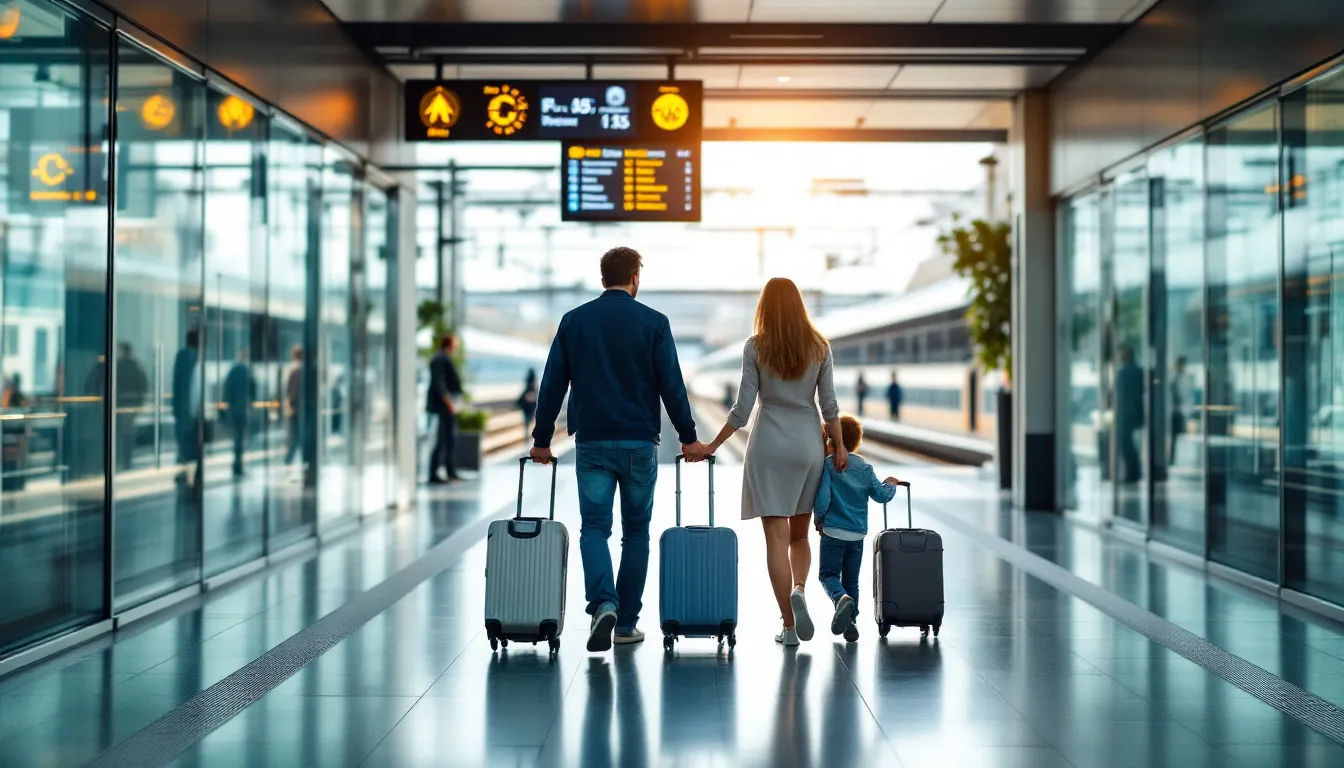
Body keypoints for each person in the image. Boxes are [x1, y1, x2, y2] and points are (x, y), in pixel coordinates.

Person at [530, 246, 707, 653]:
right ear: (635, 278)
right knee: (636, 532)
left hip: (591, 441)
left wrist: (542, 440)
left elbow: (552, 382)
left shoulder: (574, 321)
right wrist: (688, 436)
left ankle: (603, 604)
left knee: (594, 528)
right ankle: (626, 623)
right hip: (638, 443)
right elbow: (672, 386)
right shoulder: (654, 323)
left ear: (602, 278)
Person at [705, 277, 845, 647]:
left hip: (767, 445)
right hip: (807, 447)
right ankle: (799, 588)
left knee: (775, 540)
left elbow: (742, 409)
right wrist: (841, 447)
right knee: (800, 535)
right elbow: (829, 406)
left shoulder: (755, 347)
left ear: (764, 308)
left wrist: (713, 445)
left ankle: (788, 625)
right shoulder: (819, 347)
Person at [813, 414, 899, 642]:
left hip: (832, 531)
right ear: (857, 442)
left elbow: (823, 498)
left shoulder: (829, 465)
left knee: (828, 575)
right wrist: (890, 484)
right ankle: (851, 621)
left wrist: (818, 519)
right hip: (857, 534)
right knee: (852, 579)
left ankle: (840, 599)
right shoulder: (866, 468)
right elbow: (880, 495)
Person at [427, 333, 464, 483]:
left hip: (447, 406)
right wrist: (449, 403)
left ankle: (450, 471)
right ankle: (434, 473)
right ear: (449, 344)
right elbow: (440, 383)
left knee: (449, 439)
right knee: (442, 439)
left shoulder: (442, 358)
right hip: (443, 407)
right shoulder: (440, 359)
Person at [222, 347, 257, 477]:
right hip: (242, 409)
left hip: (234, 408)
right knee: (240, 438)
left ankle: (237, 463)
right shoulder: (247, 371)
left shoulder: (234, 370)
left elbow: (227, 389)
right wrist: (251, 402)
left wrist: (227, 403)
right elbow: (253, 388)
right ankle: (238, 464)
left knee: (237, 437)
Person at [115, 342, 149, 471]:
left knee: (120, 434)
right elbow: (143, 386)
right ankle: (126, 460)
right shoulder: (135, 367)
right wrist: (140, 404)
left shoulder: (119, 366)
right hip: (131, 405)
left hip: (121, 405)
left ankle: (120, 460)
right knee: (127, 434)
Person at [172, 330, 201, 467]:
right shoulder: (194, 358)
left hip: (182, 408)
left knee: (183, 441)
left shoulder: (181, 357)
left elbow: (176, 383)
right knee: (190, 444)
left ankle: (184, 465)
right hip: (190, 411)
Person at [1115, 345, 1143, 483]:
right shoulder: (1138, 371)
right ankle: (1134, 473)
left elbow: (1123, 397)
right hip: (1134, 414)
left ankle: (1133, 474)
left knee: (1126, 444)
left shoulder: (1125, 373)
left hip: (1126, 415)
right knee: (1130, 444)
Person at [283, 345, 304, 466]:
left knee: (294, 435)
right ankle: (291, 458)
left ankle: (289, 459)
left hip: (295, 408)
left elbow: (290, 392)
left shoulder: (295, 372)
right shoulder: (300, 371)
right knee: (297, 435)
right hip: (300, 408)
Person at [1169, 356, 1190, 467]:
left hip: (1180, 412)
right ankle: (1172, 458)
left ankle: (1177, 459)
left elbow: (1186, 396)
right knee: (1173, 437)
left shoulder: (1185, 378)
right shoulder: (1172, 377)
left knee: (1179, 437)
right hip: (1173, 411)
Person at [517, 368, 538, 439]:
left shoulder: (529, 385)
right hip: (530, 407)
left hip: (528, 407)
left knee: (527, 423)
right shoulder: (534, 385)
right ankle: (529, 437)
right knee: (529, 422)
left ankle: (528, 437)